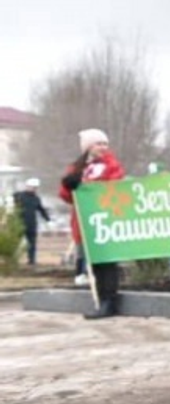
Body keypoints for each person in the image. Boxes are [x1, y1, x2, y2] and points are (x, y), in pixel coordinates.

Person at [59, 129, 126, 319]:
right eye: (99, 144)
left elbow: (115, 185)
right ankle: (101, 299)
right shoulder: (77, 168)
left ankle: (109, 301)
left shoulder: (111, 165)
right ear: (89, 146)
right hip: (84, 222)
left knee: (107, 263)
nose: (103, 148)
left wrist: (88, 187)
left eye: (105, 144)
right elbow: (67, 197)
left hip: (105, 220)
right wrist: (68, 185)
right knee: (95, 264)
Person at [12, 177, 49, 267]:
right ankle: (13, 260)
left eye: (35, 187)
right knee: (16, 243)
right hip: (19, 223)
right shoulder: (18, 196)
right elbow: (10, 203)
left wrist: (48, 220)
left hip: (31, 224)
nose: (33, 189)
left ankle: (31, 260)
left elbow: (41, 210)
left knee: (32, 243)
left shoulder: (36, 199)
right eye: (32, 187)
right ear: (27, 186)